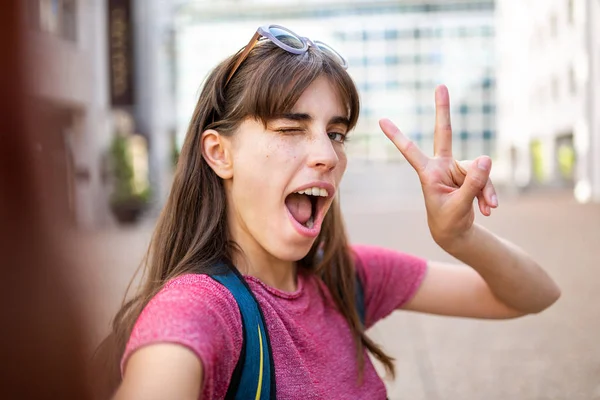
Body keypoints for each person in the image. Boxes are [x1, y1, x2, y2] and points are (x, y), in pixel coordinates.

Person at [108, 25, 560, 399]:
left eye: (336, 133)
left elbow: (534, 294)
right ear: (219, 153)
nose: (327, 154)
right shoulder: (202, 307)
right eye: (290, 128)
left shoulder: (347, 278)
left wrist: (461, 238)